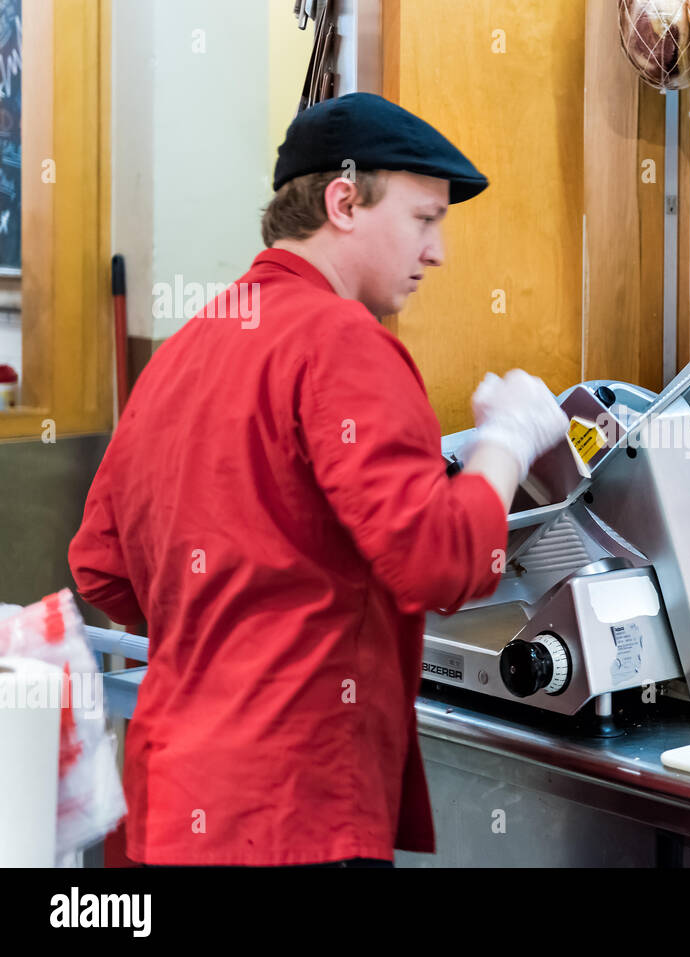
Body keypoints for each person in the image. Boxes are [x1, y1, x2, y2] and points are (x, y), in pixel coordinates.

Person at [67, 93, 568, 866]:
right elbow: (442, 563)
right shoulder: (342, 342)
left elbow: (100, 564)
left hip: (169, 802)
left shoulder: (190, 343)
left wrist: (229, 623)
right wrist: (506, 441)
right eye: (424, 218)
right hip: (291, 814)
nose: (438, 253)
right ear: (343, 200)